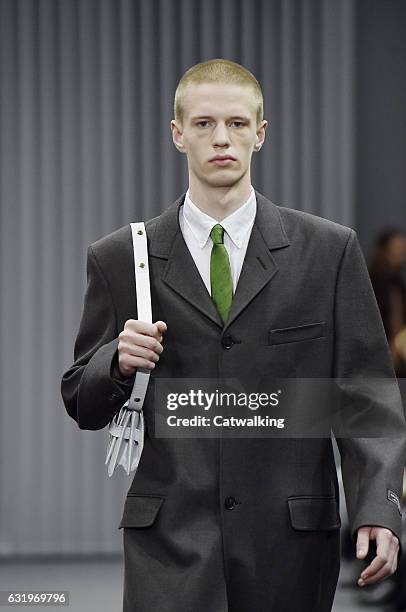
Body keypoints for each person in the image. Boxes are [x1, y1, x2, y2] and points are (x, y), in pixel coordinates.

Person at [60, 59, 406, 612]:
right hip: (169, 546)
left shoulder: (327, 252)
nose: (222, 138)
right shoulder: (123, 257)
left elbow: (364, 396)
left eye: (238, 124)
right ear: (178, 134)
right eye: (203, 124)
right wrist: (116, 363)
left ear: (260, 134)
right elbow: (81, 398)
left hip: (288, 545)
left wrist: (379, 507)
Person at [368, 229, 406, 378]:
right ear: (383, 251)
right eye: (396, 249)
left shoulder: (398, 283)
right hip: (378, 351)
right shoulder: (372, 282)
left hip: (398, 351)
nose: (400, 255)